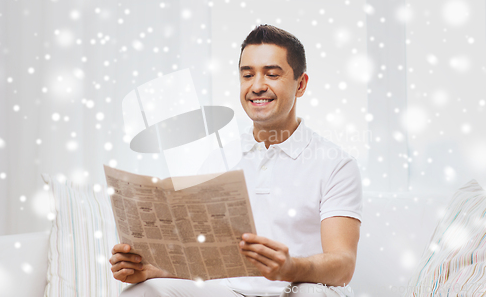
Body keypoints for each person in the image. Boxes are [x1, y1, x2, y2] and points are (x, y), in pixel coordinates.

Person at [110, 25, 363, 297]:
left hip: (298, 290)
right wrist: (151, 269)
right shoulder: (219, 159)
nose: (257, 86)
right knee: (144, 291)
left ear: (300, 85)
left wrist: (291, 268)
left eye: (272, 74)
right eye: (247, 75)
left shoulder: (335, 164)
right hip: (230, 292)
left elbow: (343, 266)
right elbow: (204, 260)